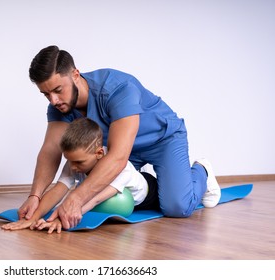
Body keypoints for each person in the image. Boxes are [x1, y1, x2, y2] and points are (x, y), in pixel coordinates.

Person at [18, 45, 221, 230]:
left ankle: (201, 171)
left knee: (177, 207)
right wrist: (35, 196)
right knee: (108, 198)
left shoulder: (117, 89)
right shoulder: (59, 107)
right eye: (46, 94)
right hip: (121, 148)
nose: (53, 100)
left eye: (57, 90)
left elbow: (118, 157)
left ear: (75, 75)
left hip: (162, 139)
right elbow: (50, 150)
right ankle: (160, 184)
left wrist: (76, 198)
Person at [2, 117, 159, 233]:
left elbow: (93, 200)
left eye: (78, 162)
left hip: (147, 194)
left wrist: (59, 219)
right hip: (114, 199)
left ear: (98, 153)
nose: (72, 167)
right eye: (69, 161)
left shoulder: (120, 169)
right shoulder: (75, 160)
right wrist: (33, 218)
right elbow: (58, 189)